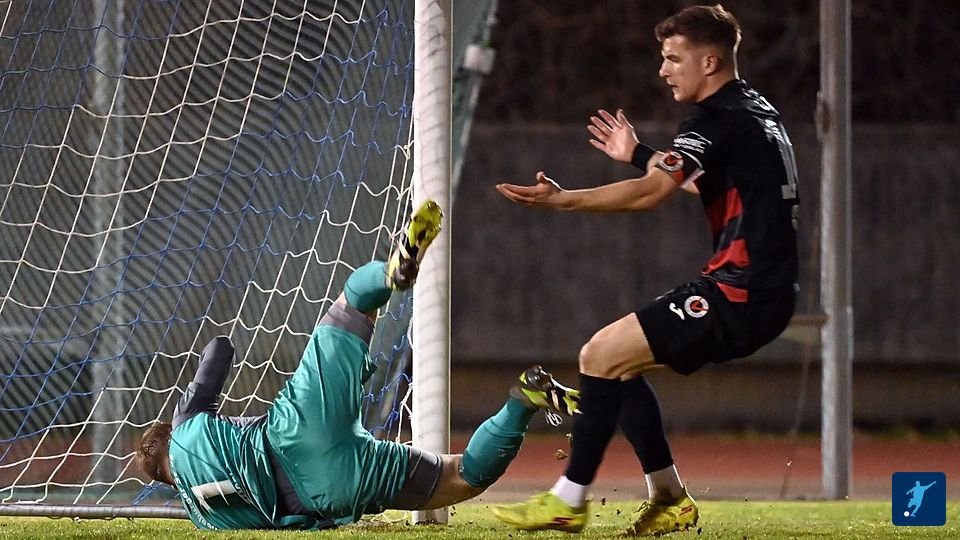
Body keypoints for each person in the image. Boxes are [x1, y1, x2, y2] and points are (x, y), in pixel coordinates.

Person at [491, 4, 799, 536]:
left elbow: (652, 194)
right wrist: (638, 153)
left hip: (742, 292)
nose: (663, 70)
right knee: (619, 364)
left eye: (673, 58)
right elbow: (703, 181)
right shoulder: (753, 110)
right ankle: (669, 499)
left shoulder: (716, 118)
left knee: (598, 355)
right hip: (761, 291)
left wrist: (563, 200)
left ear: (709, 62)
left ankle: (568, 500)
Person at [135, 200, 580, 530]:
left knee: (460, 477)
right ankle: (392, 272)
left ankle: (523, 401)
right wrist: (193, 407)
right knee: (352, 305)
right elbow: (220, 349)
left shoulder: (204, 517)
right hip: (295, 427)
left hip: (329, 488)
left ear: (169, 483)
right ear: (169, 434)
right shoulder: (186, 426)